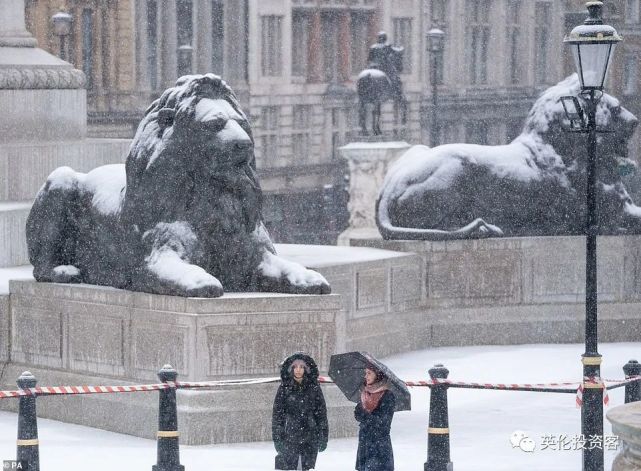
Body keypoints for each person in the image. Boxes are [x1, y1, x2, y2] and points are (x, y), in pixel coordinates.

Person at [272, 352, 328, 470]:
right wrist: (277, 437)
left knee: (306, 467)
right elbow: (278, 415)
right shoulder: (284, 388)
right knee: (290, 467)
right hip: (290, 436)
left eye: (302, 367)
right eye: (295, 367)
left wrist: (323, 435)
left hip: (310, 436)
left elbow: (321, 413)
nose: (298, 370)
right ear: (290, 368)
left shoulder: (314, 387)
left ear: (306, 369)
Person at [354, 365, 396, 471]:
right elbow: (358, 415)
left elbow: (384, 423)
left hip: (379, 444)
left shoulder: (387, 395)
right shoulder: (365, 394)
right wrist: (359, 412)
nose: (366, 376)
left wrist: (365, 415)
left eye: (369, 373)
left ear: (377, 375)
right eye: (365, 373)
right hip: (365, 442)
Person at [367, 31, 406, 104]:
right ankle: (398, 94)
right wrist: (401, 48)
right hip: (384, 67)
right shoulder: (387, 46)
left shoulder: (373, 47)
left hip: (373, 67)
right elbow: (397, 52)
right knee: (396, 78)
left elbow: (369, 59)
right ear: (385, 38)